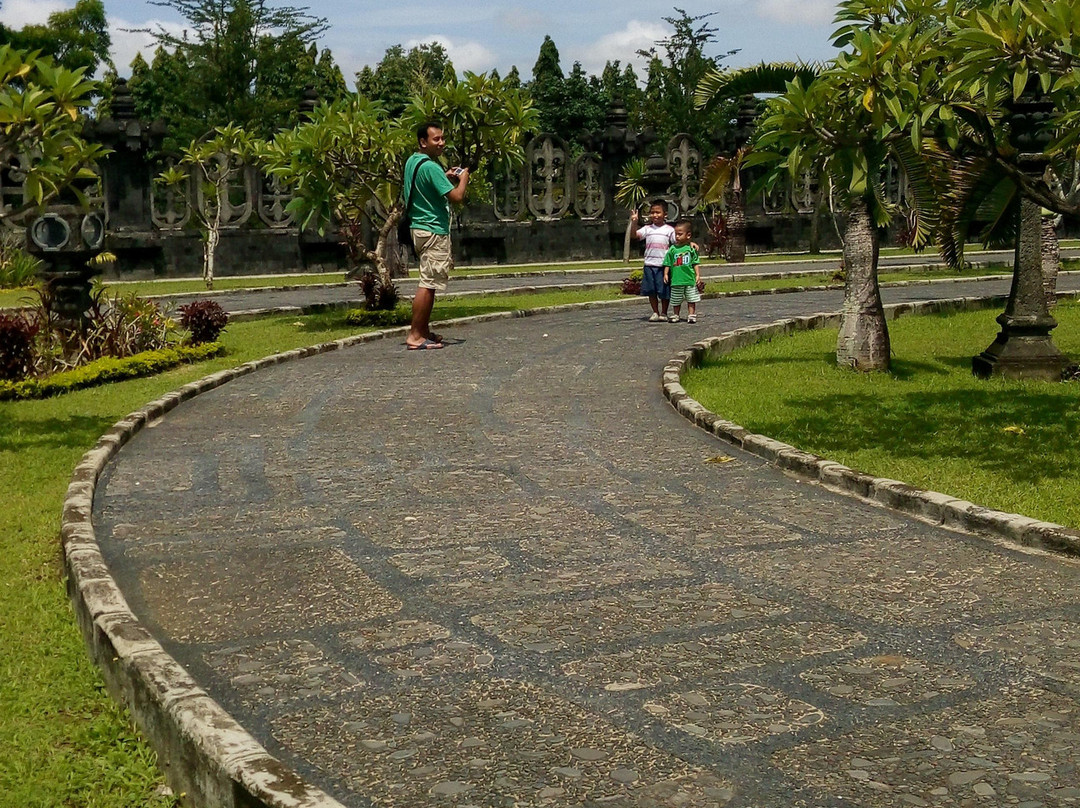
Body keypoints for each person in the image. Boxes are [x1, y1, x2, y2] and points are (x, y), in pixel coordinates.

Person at [403, 122, 469, 350]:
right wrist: (464, 179)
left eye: (442, 138)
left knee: (427, 279)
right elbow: (457, 197)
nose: (441, 143)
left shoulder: (414, 161)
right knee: (428, 283)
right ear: (423, 142)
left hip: (418, 227)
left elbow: (427, 186)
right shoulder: (431, 168)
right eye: (436, 139)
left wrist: (444, 175)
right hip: (433, 229)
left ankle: (422, 330)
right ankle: (415, 336)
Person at [629, 200, 675, 322]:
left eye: (658, 212)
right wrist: (634, 222)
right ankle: (655, 311)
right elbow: (634, 236)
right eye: (652, 212)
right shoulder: (647, 229)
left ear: (665, 214)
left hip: (663, 266)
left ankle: (664, 312)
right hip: (649, 264)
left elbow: (678, 242)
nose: (655, 215)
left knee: (664, 290)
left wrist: (690, 243)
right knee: (652, 290)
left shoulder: (669, 230)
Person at [663, 219, 702, 323]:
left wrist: (698, 275)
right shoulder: (672, 249)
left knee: (691, 299)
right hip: (676, 279)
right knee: (676, 299)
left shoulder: (691, 249)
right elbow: (668, 262)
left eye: (680, 234)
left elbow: (695, 263)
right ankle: (676, 315)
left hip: (689, 279)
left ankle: (691, 315)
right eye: (676, 234)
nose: (677, 237)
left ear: (688, 235)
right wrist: (666, 274)